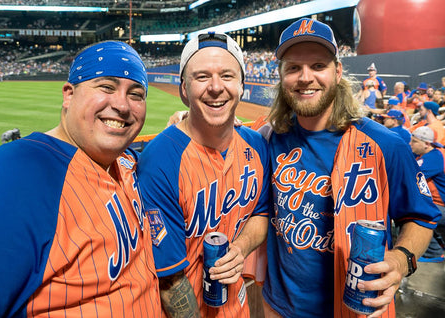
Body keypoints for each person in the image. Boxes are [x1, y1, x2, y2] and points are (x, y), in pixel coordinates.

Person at [257, 18, 440, 318]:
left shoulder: (385, 144)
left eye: (318, 66)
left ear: (338, 72)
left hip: (358, 310)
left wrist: (401, 259)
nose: (305, 77)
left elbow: (421, 217)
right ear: (281, 77)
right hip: (279, 307)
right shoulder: (267, 137)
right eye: (293, 68)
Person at [0, 41, 162, 317]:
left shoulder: (126, 162)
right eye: (106, 87)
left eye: (136, 94)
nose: (122, 105)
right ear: (68, 95)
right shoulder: (8, 180)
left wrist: (190, 126)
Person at [137, 32, 271, 318]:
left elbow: (261, 213)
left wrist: (241, 247)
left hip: (239, 307)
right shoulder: (161, 160)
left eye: (226, 75)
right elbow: (169, 281)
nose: (215, 87)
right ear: (184, 90)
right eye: (201, 77)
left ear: (242, 86)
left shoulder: (257, 146)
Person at [409, 126, 445, 263]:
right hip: (437, 203)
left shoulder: (433, 158)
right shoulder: (428, 154)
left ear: (427, 144)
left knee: (418, 213)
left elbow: (411, 177)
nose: (410, 144)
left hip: (441, 206)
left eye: (414, 141)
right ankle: (438, 245)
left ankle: (434, 252)